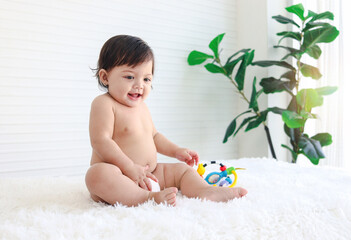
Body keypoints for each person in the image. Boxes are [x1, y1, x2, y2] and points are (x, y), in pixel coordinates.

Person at [85, 35, 248, 207]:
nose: (140, 85)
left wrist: (176, 151)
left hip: (150, 174)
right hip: (119, 177)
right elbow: (100, 141)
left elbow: (154, 136)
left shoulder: (142, 107)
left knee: (182, 171)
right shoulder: (104, 104)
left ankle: (206, 191)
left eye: (146, 79)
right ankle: (147, 198)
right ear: (105, 77)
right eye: (129, 77)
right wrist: (129, 167)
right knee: (96, 175)